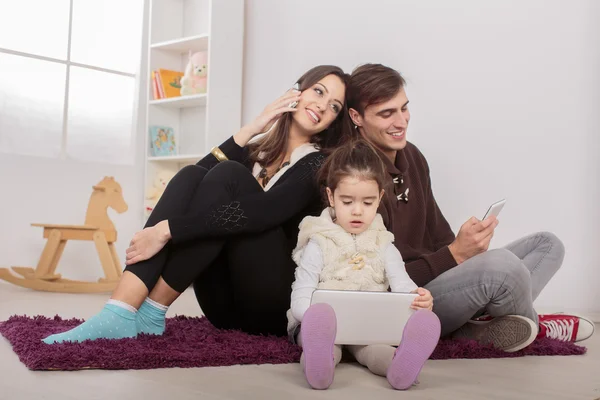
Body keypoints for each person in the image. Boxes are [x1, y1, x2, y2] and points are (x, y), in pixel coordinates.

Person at [42, 65, 354, 344]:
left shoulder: (318, 165)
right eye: (318, 91)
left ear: (333, 122)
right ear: (297, 91)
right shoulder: (257, 152)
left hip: (272, 307)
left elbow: (265, 212)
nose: (322, 106)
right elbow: (198, 177)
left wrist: (167, 229)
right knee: (193, 173)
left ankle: (147, 310)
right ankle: (122, 309)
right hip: (223, 305)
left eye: (334, 106)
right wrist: (254, 127)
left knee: (230, 175)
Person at [345, 63, 594, 352]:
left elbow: (438, 235)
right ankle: (537, 329)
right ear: (356, 117)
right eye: (387, 114)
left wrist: (467, 252)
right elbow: (375, 282)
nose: (401, 121)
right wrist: (455, 256)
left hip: (436, 283)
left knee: (548, 245)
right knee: (502, 267)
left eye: (404, 108)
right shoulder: (356, 176)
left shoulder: (411, 155)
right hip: (405, 299)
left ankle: (478, 325)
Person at [288, 140, 441, 390]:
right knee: (323, 343)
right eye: (347, 202)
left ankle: (399, 367)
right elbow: (302, 292)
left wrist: (417, 299)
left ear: (380, 197)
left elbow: (402, 284)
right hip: (323, 325)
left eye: (368, 203)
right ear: (331, 196)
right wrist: (312, 317)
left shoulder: (384, 244)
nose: (357, 211)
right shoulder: (319, 241)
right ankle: (320, 365)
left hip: (367, 326)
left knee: (375, 350)